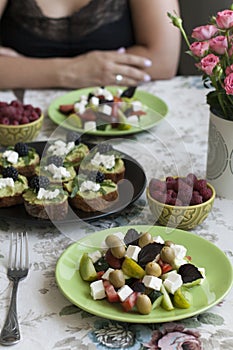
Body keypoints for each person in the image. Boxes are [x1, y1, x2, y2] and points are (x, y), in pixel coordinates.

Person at [0, 0, 181, 89]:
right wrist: (69, 71)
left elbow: (162, 60)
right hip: (25, 122)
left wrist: (22, 70)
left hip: (123, 114)